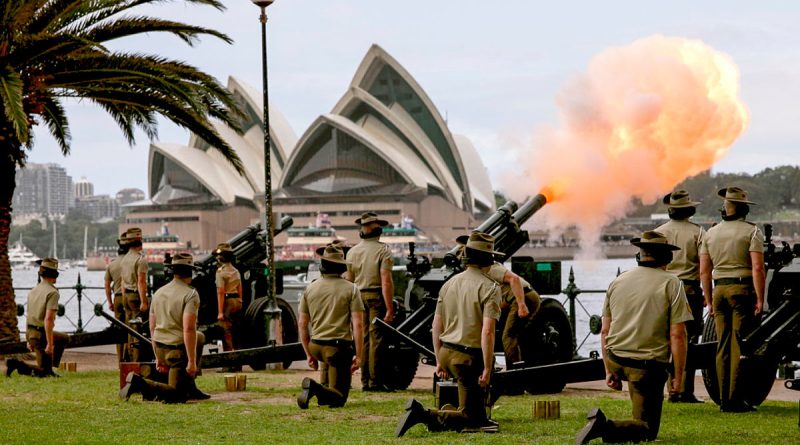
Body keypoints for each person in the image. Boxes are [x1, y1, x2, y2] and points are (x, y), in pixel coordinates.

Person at [576, 231, 692, 444]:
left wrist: (608, 369)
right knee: (648, 431)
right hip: (646, 368)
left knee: (641, 403)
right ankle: (604, 426)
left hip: (617, 359)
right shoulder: (672, 283)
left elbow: (604, 330)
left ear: (639, 256)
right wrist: (678, 375)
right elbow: (678, 335)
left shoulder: (618, 281)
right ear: (667, 258)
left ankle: (623, 421)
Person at [395, 231, 502, 436]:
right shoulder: (490, 288)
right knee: (471, 419)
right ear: (488, 260)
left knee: (477, 416)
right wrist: (488, 367)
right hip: (468, 358)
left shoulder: (448, 284)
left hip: (446, 351)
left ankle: (463, 415)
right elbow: (487, 332)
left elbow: (436, 325)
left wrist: (439, 359)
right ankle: (422, 415)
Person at [699, 186, 765, 413]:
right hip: (741, 289)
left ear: (724, 210)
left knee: (722, 346)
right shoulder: (752, 232)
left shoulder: (710, 233)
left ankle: (722, 398)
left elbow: (704, 272)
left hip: (718, 291)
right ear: (745, 209)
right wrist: (760, 298)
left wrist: (708, 298)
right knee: (738, 345)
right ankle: (734, 399)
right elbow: (757, 267)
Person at [119, 253, 209, 403]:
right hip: (177, 353)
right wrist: (192, 362)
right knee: (177, 396)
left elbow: (152, 327)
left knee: (200, 336)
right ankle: (139, 384)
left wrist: (158, 357)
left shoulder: (159, 293)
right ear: (190, 271)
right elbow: (188, 329)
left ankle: (190, 387)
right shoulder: (191, 294)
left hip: (160, 348)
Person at [296, 243, 365, 409]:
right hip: (338, 349)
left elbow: (302, 324)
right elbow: (358, 325)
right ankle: (314, 389)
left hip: (316, 345)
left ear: (322, 266)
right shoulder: (351, 289)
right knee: (339, 398)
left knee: (328, 391)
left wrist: (308, 354)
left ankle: (321, 392)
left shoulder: (310, 288)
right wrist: (359, 355)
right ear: (341, 267)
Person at [456, 234, 540, 368]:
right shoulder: (480, 271)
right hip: (513, 299)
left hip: (525, 297)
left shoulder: (491, 268)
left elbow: (514, 280)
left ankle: (514, 375)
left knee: (508, 337)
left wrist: (521, 304)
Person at [655, 190, 706, 403]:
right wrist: (706, 291)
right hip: (690, 290)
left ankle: (670, 388)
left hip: (663, 289)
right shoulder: (698, 232)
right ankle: (684, 389)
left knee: (666, 339)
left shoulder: (658, 232)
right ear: (689, 210)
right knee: (690, 340)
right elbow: (704, 266)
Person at [345, 212, 394, 392]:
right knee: (376, 340)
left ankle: (365, 380)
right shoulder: (383, 250)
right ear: (378, 230)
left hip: (356, 298)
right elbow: (386, 281)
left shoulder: (352, 252)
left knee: (362, 339)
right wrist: (389, 308)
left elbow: (349, 283)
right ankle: (375, 381)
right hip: (375, 298)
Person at [6, 258, 69, 377]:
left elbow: (29, 315)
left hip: (31, 333)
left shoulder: (33, 291)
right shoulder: (53, 293)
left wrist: (28, 338)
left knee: (63, 338)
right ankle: (16, 364)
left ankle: (49, 367)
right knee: (44, 373)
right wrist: (50, 344)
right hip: (40, 335)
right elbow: (49, 320)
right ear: (55, 274)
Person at [120, 227, 149, 361]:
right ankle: (136, 361)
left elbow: (122, 281)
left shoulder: (125, 258)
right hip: (136, 296)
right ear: (140, 241)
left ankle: (128, 358)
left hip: (126, 295)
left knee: (129, 328)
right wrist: (144, 301)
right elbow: (141, 282)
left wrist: (125, 294)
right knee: (137, 330)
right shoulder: (141, 260)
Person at [104, 232, 130, 361]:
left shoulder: (112, 264)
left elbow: (107, 285)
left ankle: (120, 358)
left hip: (117, 298)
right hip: (130, 297)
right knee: (132, 329)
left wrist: (110, 302)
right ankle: (129, 357)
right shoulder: (131, 262)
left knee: (119, 330)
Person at [214, 243, 242, 354]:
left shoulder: (220, 272)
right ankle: (238, 360)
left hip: (228, 302)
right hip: (237, 301)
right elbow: (240, 289)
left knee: (226, 331)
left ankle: (228, 360)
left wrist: (220, 312)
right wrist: (240, 301)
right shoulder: (236, 271)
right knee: (237, 331)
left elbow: (220, 292)